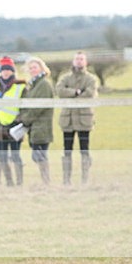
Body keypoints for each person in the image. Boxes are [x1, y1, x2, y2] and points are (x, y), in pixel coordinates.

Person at [55, 51, 98, 184]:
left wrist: (73, 95)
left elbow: (90, 93)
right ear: (73, 61)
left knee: (84, 149)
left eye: (81, 59)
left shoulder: (91, 78)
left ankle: (85, 179)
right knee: (67, 150)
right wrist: (76, 92)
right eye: (77, 59)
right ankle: (66, 179)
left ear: (85, 62)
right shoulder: (65, 78)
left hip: (84, 119)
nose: (79, 61)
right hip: (68, 119)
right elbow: (60, 91)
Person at [0, 56, 25, 186]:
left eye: (8, 69)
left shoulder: (20, 86)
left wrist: (21, 122)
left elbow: (24, 107)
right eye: (3, 69)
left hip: (14, 126)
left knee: (15, 155)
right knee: (2, 157)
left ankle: (19, 182)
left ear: (12, 71)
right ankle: (9, 182)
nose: (6, 72)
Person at [17, 57, 54, 185]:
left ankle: (46, 181)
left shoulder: (43, 84)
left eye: (35, 67)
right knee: (37, 154)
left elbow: (39, 107)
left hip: (41, 125)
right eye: (30, 68)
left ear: (42, 68)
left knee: (40, 154)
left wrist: (25, 119)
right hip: (34, 126)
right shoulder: (32, 85)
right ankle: (45, 181)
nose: (32, 70)